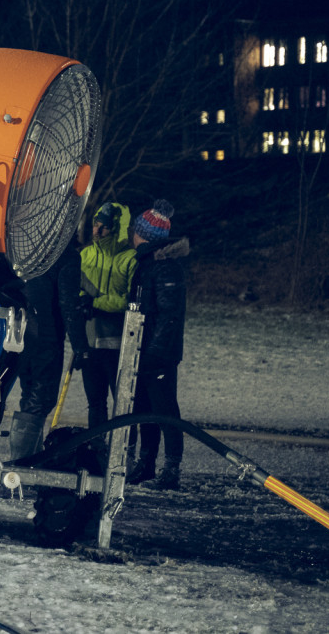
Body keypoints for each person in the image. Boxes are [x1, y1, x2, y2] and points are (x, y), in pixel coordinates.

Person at [126, 199, 190, 490]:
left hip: (158, 354)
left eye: (136, 230)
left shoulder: (164, 268)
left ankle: (170, 470)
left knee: (165, 410)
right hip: (145, 351)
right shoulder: (148, 264)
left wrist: (154, 352)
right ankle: (147, 465)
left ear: (144, 235)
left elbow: (169, 316)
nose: (131, 233)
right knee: (144, 409)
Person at [10, 235, 91, 460]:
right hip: (46, 337)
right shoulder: (65, 256)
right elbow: (68, 303)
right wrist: (80, 345)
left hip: (19, 334)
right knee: (41, 398)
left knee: (30, 396)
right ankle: (24, 462)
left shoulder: (25, 248)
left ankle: (29, 457)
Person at [79, 203, 138, 429]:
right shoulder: (86, 255)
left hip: (117, 345)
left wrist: (95, 302)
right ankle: (97, 449)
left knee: (121, 405)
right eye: (96, 224)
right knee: (95, 404)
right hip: (90, 341)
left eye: (104, 227)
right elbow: (76, 290)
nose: (97, 231)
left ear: (116, 229)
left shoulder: (129, 259)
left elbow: (128, 301)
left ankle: (123, 452)